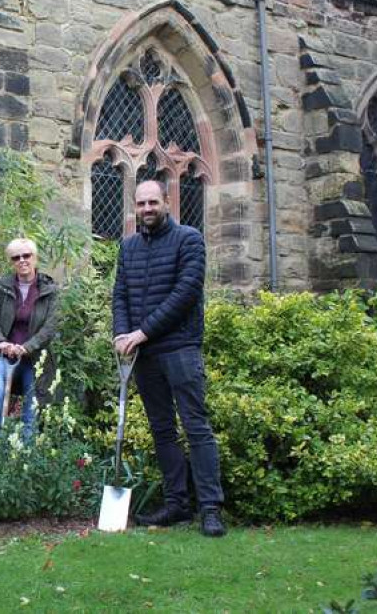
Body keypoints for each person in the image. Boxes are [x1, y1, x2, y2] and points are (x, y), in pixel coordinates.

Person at [112, 179, 227, 538]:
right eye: (141, 203)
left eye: (153, 203)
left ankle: (210, 509)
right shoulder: (127, 247)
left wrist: (141, 332)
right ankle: (177, 504)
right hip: (144, 355)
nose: (147, 209)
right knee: (162, 430)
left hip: (180, 347)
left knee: (196, 428)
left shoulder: (189, 239)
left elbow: (186, 292)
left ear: (167, 201)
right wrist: (121, 333)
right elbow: (121, 295)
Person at [0, 238, 59, 439]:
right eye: (16, 257)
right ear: (11, 261)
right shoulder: (3, 287)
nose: (22, 260)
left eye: (27, 255)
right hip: (5, 357)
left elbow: (50, 326)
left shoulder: (49, 290)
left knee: (32, 406)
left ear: (35, 258)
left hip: (34, 360)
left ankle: (25, 452)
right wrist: (1, 341)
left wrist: (27, 347)